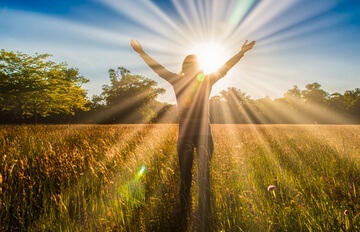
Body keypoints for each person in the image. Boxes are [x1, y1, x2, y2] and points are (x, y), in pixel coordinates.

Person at [131, 39, 255, 231]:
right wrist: (242, 52)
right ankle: (196, 215)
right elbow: (226, 67)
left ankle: (188, 214)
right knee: (199, 176)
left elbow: (157, 68)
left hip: (190, 134)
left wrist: (141, 52)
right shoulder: (205, 80)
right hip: (202, 134)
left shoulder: (180, 80)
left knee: (187, 178)